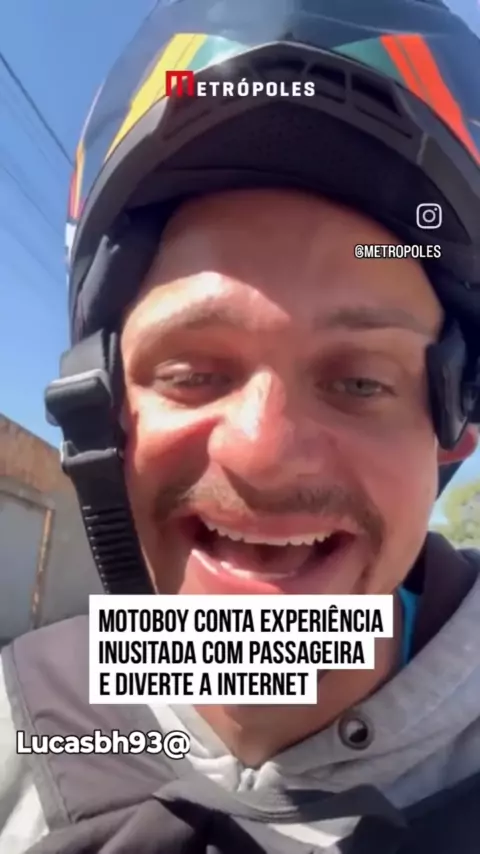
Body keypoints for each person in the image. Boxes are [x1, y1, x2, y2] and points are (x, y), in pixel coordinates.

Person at [1, 1, 480, 851]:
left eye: (360, 380)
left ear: (456, 429)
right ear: (100, 412)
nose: (264, 453)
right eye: (193, 374)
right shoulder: (23, 720)